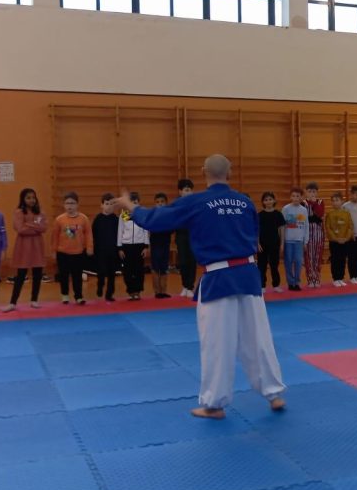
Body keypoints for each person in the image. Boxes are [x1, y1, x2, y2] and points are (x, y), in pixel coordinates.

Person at [112, 154, 285, 418]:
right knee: (258, 338)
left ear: (203, 171)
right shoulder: (245, 202)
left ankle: (214, 404)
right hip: (249, 275)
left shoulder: (196, 201)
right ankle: (274, 394)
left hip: (218, 278)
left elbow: (156, 220)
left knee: (217, 344)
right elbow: (253, 234)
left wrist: (130, 207)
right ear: (230, 172)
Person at [4, 188, 47, 312]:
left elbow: (44, 228)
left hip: (37, 245)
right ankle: (13, 302)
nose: (31, 200)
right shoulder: (19, 212)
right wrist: (35, 227)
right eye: (28, 198)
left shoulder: (40, 212)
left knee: (37, 274)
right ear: (23, 199)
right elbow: (20, 229)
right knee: (21, 275)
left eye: (33, 197)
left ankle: (34, 300)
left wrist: (29, 224)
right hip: (23, 246)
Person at [53, 191, 92, 305]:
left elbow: (88, 234)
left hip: (78, 253)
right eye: (67, 203)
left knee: (77, 276)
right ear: (64, 205)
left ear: (77, 204)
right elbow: (54, 236)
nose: (70, 206)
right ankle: (65, 295)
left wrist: (89, 247)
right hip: (63, 253)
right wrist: (54, 250)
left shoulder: (83, 219)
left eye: (72, 203)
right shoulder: (59, 220)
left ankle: (78, 296)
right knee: (64, 276)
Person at [118, 192, 149, 301]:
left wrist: (146, 246)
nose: (134, 205)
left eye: (136, 203)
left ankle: (138, 291)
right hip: (127, 247)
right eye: (132, 203)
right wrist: (120, 247)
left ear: (139, 203)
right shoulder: (124, 214)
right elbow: (120, 231)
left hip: (139, 246)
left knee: (139, 270)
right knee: (127, 271)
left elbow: (145, 230)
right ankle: (130, 291)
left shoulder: (141, 215)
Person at [93, 194, 120, 302]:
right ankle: (100, 285)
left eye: (111, 204)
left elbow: (122, 230)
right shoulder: (98, 219)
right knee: (101, 272)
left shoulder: (116, 219)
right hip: (100, 251)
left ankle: (109, 294)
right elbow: (93, 234)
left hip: (113, 251)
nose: (109, 206)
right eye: (107, 204)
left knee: (112, 273)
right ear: (102, 205)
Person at [282, 187, 309, 291]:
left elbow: (306, 226)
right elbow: (282, 226)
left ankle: (297, 282)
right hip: (288, 240)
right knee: (288, 262)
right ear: (290, 197)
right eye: (293, 196)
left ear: (301, 197)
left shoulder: (304, 210)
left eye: (298, 196)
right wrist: (282, 242)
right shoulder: (286, 209)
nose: (296, 198)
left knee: (298, 261)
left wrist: (305, 241)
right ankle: (290, 282)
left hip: (299, 241)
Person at [257, 192, 285, 293]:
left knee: (274, 265)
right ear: (263, 202)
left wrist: (282, 244)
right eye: (266, 200)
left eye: (270, 199)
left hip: (275, 243)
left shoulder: (278, 214)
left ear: (274, 201)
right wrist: (257, 243)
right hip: (262, 244)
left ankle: (276, 285)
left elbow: (282, 230)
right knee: (262, 266)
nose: (268, 201)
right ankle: (262, 285)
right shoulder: (259, 215)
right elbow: (257, 230)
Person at [324, 192, 353, 288]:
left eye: (337, 200)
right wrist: (336, 239)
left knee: (342, 259)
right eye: (333, 201)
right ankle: (336, 278)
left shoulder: (347, 214)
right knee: (335, 260)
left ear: (342, 201)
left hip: (344, 241)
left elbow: (350, 227)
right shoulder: (329, 214)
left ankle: (341, 278)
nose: (335, 202)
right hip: (334, 242)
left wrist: (346, 238)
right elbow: (328, 228)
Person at [175, 179, 197, 298]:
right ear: (180, 191)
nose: (188, 192)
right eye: (186, 190)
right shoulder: (177, 204)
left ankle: (190, 287)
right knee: (183, 261)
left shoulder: (195, 203)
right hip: (181, 235)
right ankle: (184, 285)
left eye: (190, 190)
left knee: (192, 261)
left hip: (193, 235)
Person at [149, 193, 173, 299]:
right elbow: (149, 227)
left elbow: (172, 229)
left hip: (165, 245)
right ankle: (157, 291)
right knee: (155, 268)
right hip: (155, 245)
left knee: (164, 268)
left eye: (162, 202)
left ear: (166, 203)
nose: (160, 204)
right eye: (158, 202)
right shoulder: (152, 215)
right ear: (155, 204)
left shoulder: (169, 215)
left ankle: (163, 291)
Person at [303, 182, 326, 288]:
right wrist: (316, 218)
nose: (312, 193)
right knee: (308, 257)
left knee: (317, 256)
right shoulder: (303, 203)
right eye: (309, 191)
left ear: (317, 193)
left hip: (318, 234)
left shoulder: (320, 202)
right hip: (307, 234)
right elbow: (303, 218)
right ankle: (310, 279)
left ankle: (317, 278)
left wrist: (314, 203)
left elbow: (320, 214)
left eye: (314, 191)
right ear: (306, 192)